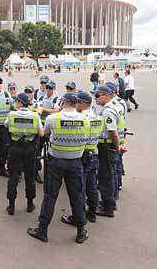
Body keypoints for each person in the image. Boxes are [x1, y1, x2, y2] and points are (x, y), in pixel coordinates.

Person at [27, 93, 89, 244]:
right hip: (75, 163)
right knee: (77, 196)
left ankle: (42, 230)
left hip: (56, 162)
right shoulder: (85, 120)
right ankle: (81, 231)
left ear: (64, 102)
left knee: (50, 196)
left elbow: (46, 134)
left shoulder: (53, 118)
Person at [61, 91, 102, 225]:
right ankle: (92, 213)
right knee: (92, 186)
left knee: (79, 189)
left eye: (78, 102)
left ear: (83, 103)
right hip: (94, 153)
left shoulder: (82, 118)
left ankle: (79, 217)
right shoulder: (97, 116)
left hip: (82, 156)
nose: (76, 104)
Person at [4, 92, 43, 215]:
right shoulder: (35, 116)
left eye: (17, 101)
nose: (15, 103)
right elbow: (41, 134)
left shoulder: (11, 114)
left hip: (15, 149)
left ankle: (11, 206)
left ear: (20, 103)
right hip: (29, 149)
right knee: (30, 177)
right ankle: (30, 204)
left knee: (13, 177)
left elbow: (6, 125)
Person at [95, 86, 126, 217]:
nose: (95, 98)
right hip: (109, 147)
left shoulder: (108, 111)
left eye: (98, 95)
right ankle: (108, 202)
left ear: (106, 96)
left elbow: (112, 131)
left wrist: (117, 147)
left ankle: (108, 207)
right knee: (109, 175)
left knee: (105, 177)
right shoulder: (113, 107)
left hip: (107, 147)